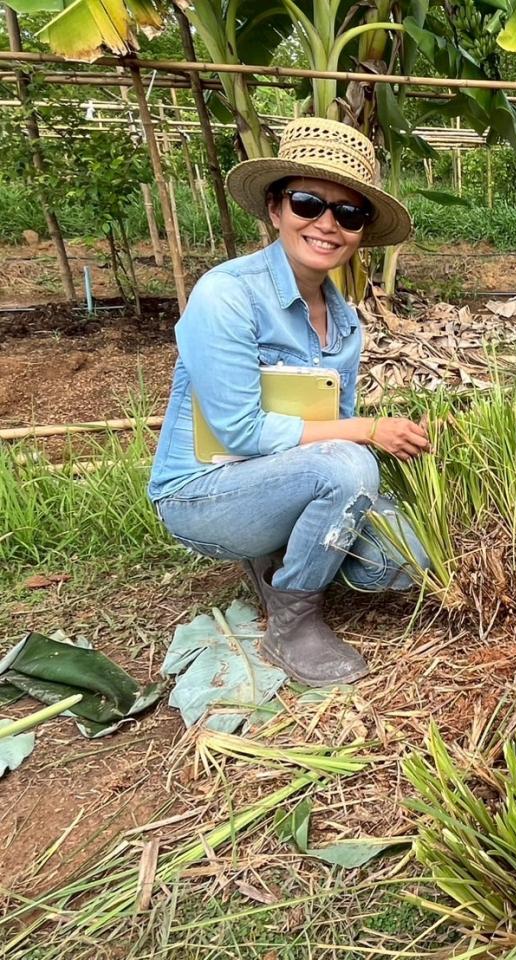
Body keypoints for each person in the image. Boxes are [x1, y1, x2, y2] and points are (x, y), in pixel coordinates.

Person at [148, 118, 431, 687]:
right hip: (204, 494)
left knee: (402, 562)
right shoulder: (227, 295)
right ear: (276, 209)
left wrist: (375, 433)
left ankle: (276, 553)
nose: (328, 224)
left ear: (360, 231)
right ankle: (292, 620)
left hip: (287, 477)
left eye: (349, 214)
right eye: (309, 203)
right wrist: (369, 431)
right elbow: (239, 432)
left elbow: (330, 422)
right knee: (352, 463)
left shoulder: (345, 322)